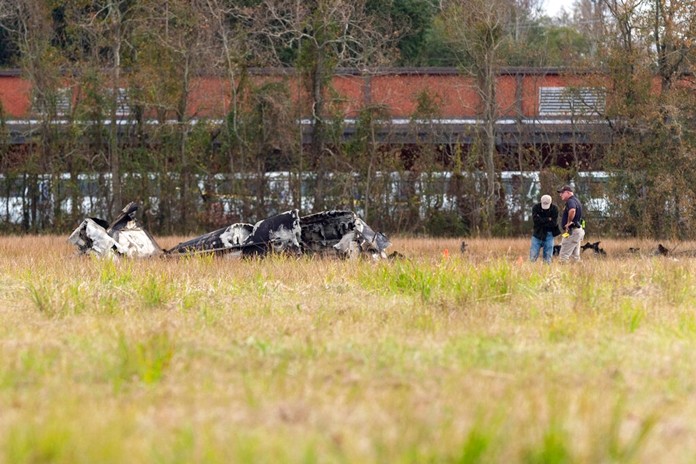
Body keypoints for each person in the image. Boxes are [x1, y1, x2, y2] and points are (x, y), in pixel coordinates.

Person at [557, 184, 585, 262]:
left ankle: (561, 273)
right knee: (575, 258)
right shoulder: (576, 200)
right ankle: (580, 272)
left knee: (563, 256)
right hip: (577, 231)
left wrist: (569, 222)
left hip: (572, 232)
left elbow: (572, 210)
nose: (560, 195)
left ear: (568, 192)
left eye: (562, 193)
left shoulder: (570, 201)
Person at [530, 194, 561, 263]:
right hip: (537, 234)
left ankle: (546, 270)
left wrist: (541, 220)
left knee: (548, 256)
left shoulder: (554, 209)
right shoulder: (535, 208)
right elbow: (536, 221)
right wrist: (548, 219)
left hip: (549, 234)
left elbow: (553, 223)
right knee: (533, 256)